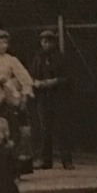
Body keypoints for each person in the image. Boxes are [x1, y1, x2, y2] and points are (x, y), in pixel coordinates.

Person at [29, 29, 76, 170]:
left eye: (49, 41)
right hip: (43, 98)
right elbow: (31, 75)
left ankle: (67, 160)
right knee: (45, 130)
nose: (46, 44)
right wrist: (36, 82)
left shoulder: (61, 58)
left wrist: (54, 81)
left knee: (62, 129)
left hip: (58, 98)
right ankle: (46, 160)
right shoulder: (38, 58)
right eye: (44, 41)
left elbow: (68, 78)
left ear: (54, 42)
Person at [0, 30, 35, 106]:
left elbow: (25, 78)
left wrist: (24, 96)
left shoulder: (11, 60)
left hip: (8, 94)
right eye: (1, 43)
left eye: (6, 43)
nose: (4, 46)